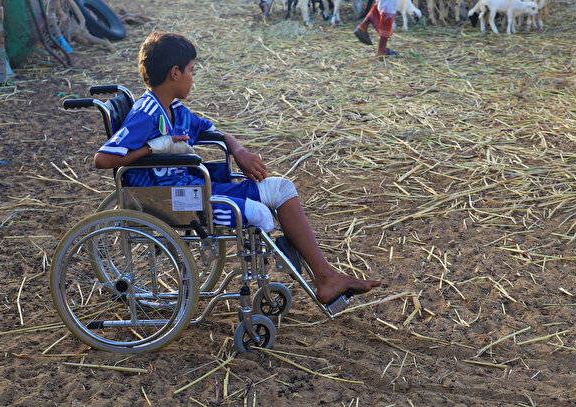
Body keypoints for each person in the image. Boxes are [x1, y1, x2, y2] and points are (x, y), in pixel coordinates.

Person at [95, 31, 380, 305]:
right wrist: (155, 148)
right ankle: (282, 256)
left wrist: (238, 150)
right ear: (174, 73)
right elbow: (103, 159)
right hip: (172, 199)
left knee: (282, 189)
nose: (193, 78)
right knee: (259, 214)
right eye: (191, 70)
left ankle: (326, 277)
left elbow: (215, 132)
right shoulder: (147, 114)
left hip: (194, 188)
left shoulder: (176, 110)